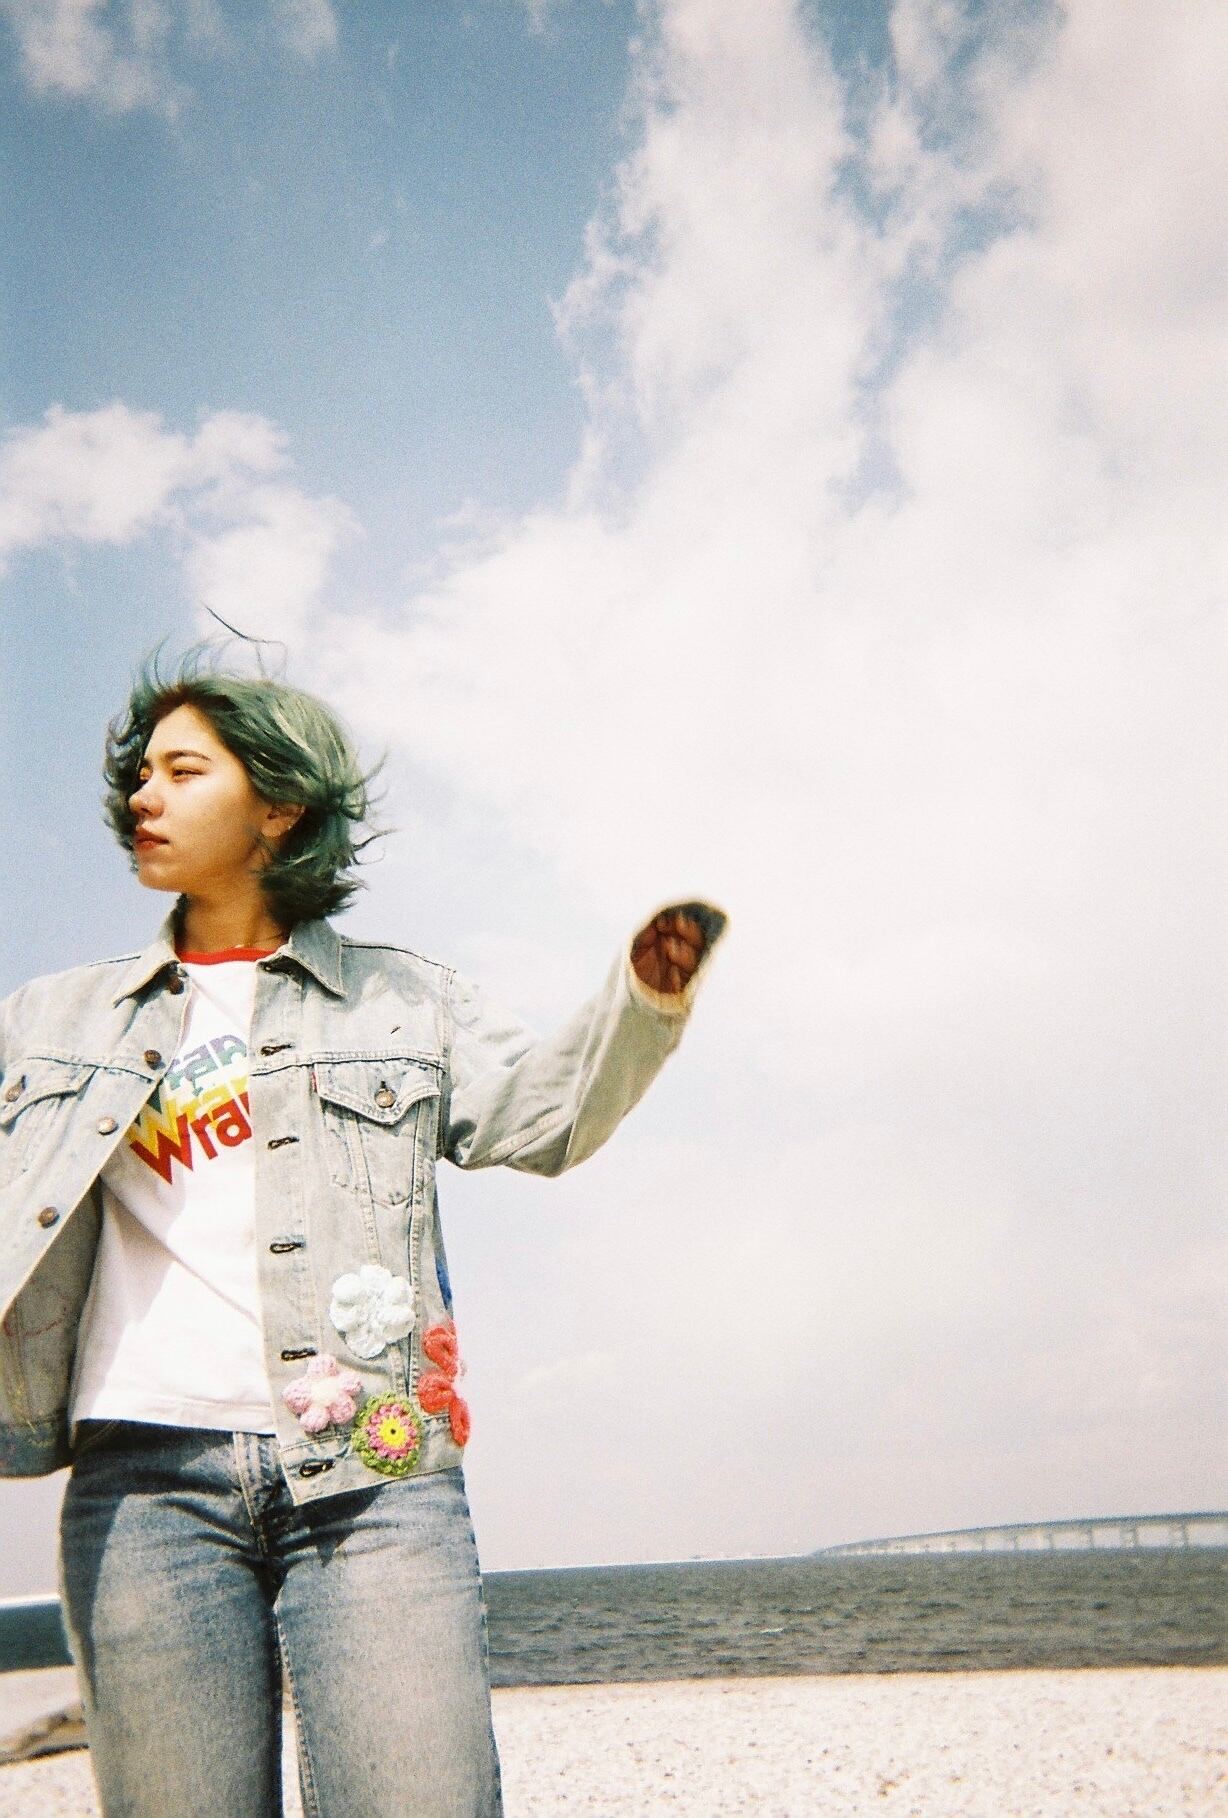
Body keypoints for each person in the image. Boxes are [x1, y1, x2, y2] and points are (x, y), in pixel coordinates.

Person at [0, 651, 725, 1818]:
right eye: (140, 774)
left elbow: (544, 1122)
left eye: (183, 770)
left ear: (278, 807)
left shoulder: (406, 998)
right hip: (142, 1482)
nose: (144, 794)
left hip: (377, 1469)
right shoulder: (50, 1019)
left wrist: (637, 1006)